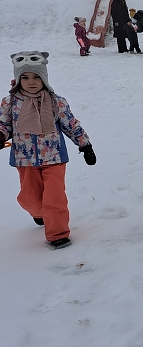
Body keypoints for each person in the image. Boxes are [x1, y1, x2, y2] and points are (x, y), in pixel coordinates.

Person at [0, 51, 96, 250]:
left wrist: (85, 145)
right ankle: (38, 213)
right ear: (18, 79)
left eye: (36, 77)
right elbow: (4, 125)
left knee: (55, 198)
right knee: (30, 198)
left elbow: (71, 125)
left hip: (54, 157)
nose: (31, 82)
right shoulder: (10, 103)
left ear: (44, 78)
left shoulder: (56, 102)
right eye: (25, 77)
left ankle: (58, 234)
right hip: (24, 159)